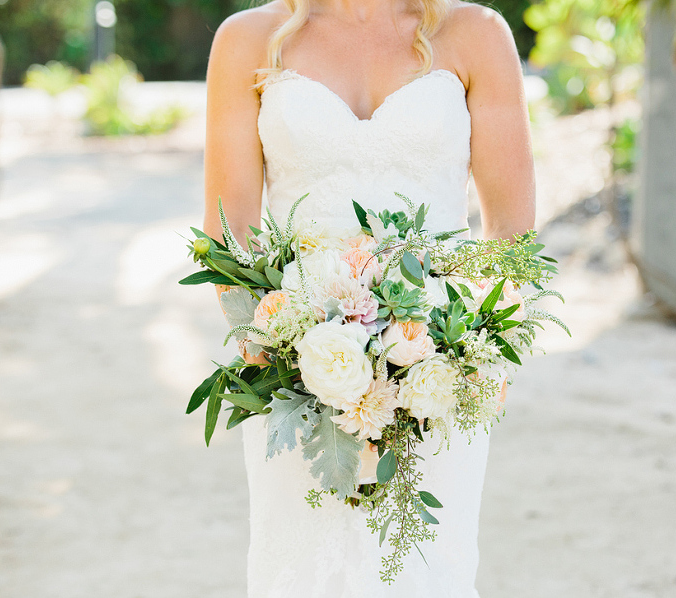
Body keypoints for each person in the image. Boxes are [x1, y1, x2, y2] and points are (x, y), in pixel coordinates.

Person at [201, 0, 534, 595]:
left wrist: (471, 354)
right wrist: (283, 350)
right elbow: (230, 238)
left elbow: (512, 237)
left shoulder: (476, 35)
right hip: (294, 373)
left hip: (439, 375)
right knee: (299, 570)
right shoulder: (247, 39)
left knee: (428, 570)